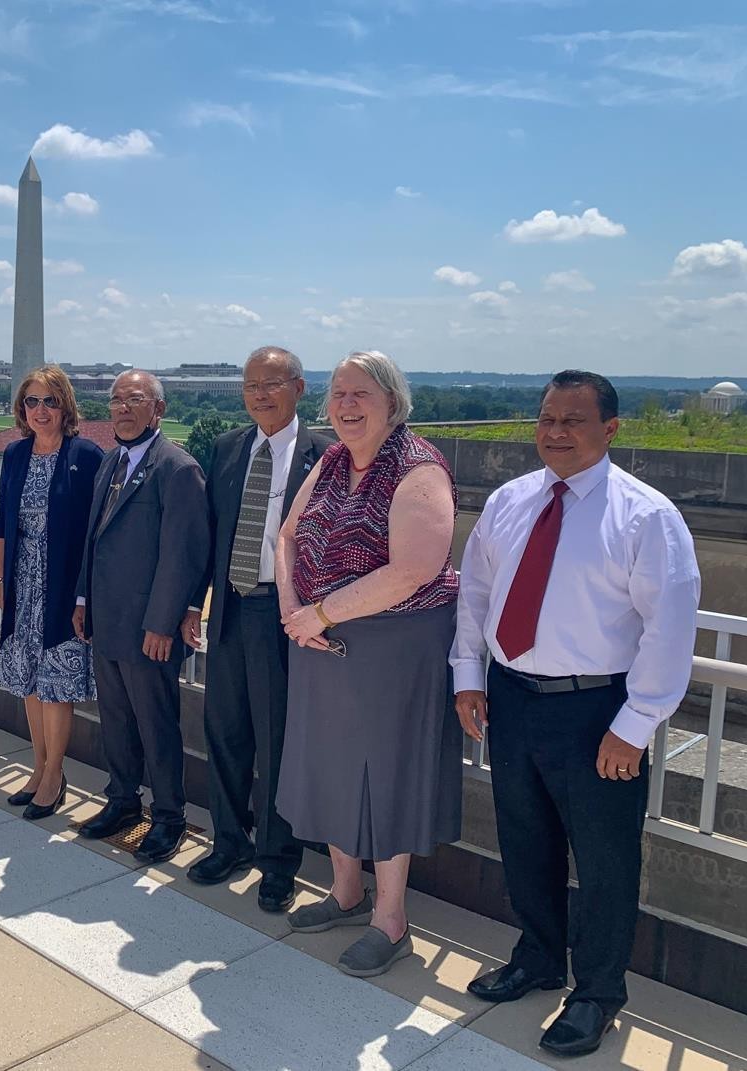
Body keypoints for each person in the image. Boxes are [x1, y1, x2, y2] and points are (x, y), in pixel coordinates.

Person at [452, 370, 700, 1058]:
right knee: (523, 840)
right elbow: (475, 592)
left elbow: (668, 627)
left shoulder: (646, 516)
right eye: (545, 418)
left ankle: (595, 991)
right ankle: (536, 957)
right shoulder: (508, 501)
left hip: (596, 709)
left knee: (603, 860)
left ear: (609, 429)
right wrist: (468, 675)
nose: (554, 432)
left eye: (572, 420)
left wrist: (635, 723)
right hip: (510, 697)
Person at [275, 349, 462, 978]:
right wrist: (293, 610)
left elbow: (414, 569)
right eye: (338, 394)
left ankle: (391, 919)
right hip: (319, 639)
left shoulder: (419, 467)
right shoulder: (330, 460)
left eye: (361, 394)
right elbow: (288, 536)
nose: (346, 406)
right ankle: (345, 892)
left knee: (388, 772)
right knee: (329, 764)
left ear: (392, 402)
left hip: (394, 644)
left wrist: (319, 614)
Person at [182, 346, 331, 911]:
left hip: (283, 614)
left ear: (298, 388)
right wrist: (195, 603)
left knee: (276, 741)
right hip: (229, 610)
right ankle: (229, 843)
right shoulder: (226, 449)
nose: (259, 394)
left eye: (271, 384)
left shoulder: (326, 455)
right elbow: (208, 537)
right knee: (223, 732)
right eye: (250, 385)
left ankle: (276, 860)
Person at [73, 370, 209, 864]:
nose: (123, 408)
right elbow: (95, 538)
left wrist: (161, 623)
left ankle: (169, 816)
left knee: (156, 724)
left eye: (135, 400)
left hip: (149, 627)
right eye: (116, 400)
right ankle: (123, 801)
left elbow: (184, 555)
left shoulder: (178, 468)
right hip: (106, 618)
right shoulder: (110, 461)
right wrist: (83, 601)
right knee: (115, 721)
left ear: (159, 410)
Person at [0, 365, 104, 820]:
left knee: (56, 684)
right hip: (23, 584)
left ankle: (55, 774)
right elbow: (3, 525)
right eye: (32, 402)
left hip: (61, 586)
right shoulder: (16, 454)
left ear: (65, 407)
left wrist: (84, 596)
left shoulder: (86, 455)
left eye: (49, 401)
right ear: (22, 409)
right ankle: (38, 767)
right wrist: (1, 580)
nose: (40, 410)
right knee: (29, 682)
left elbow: (95, 534)